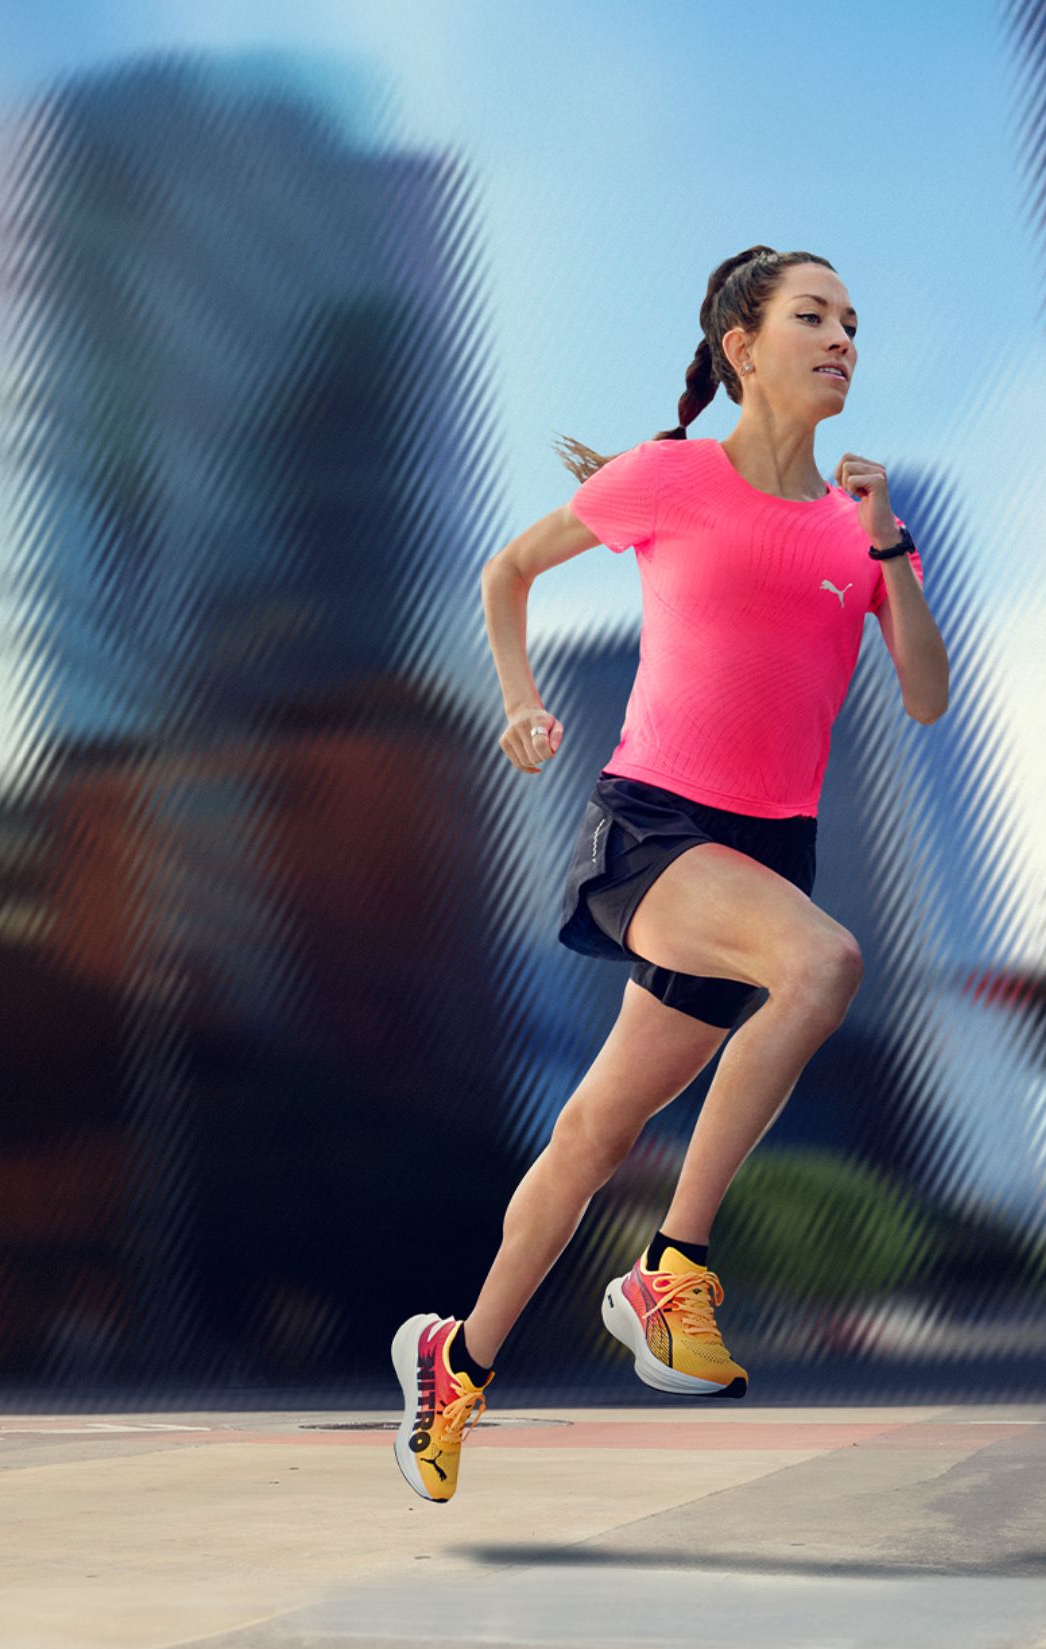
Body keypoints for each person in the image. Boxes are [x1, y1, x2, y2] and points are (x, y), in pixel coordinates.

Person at [392, 246, 947, 1504]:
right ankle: (673, 1271)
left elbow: (922, 695)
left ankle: (454, 1359)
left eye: (854, 322)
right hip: (653, 830)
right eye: (813, 316)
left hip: (762, 856)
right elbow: (509, 569)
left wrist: (892, 546)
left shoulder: (859, 528)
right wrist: (522, 702)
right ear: (742, 347)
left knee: (594, 1130)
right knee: (825, 959)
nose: (843, 338)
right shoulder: (669, 479)